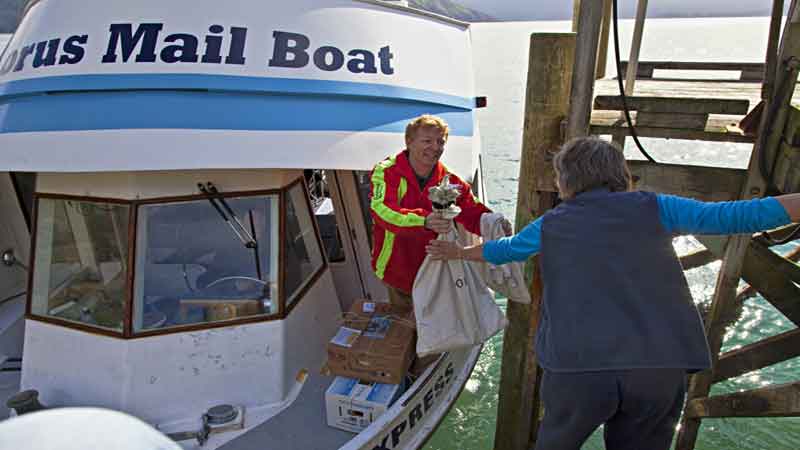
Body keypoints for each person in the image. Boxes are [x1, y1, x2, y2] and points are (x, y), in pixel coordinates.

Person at [425, 136, 800, 450]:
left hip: (578, 370)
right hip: (658, 368)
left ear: (567, 182)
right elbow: (736, 216)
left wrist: (458, 252)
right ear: (620, 175)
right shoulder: (658, 207)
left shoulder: (550, 224)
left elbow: (503, 249)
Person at [369, 114, 508, 309]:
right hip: (397, 271)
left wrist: (494, 222)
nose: (435, 148)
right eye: (427, 141)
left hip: (436, 271)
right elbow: (382, 210)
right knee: (406, 329)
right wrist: (424, 220)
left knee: (437, 332)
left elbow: (472, 211)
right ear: (409, 141)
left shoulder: (449, 180)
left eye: (440, 142)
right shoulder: (386, 172)